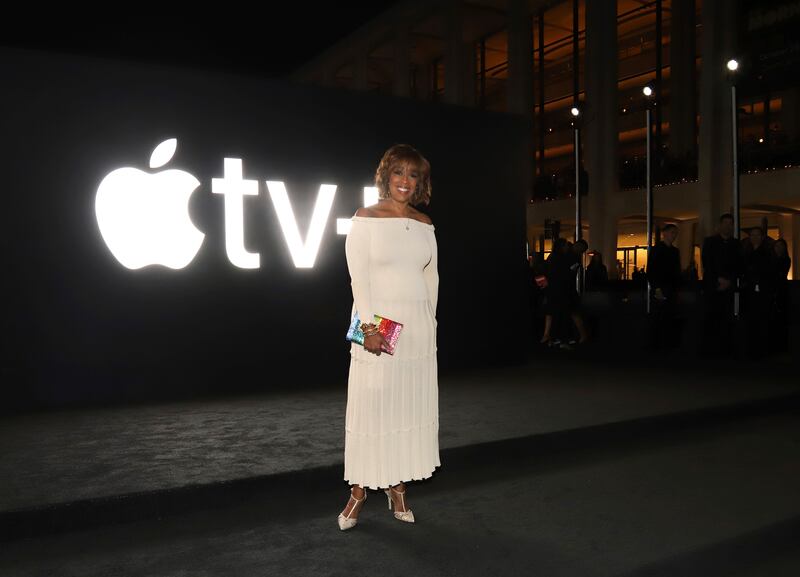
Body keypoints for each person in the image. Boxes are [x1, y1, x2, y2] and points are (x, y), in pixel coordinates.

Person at [339, 144, 440, 530]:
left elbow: (431, 276)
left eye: (413, 175)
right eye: (399, 172)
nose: (405, 181)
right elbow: (358, 278)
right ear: (386, 176)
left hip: (416, 328)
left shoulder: (424, 222)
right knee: (372, 408)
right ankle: (359, 490)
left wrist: (431, 322)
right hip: (378, 326)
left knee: (405, 409)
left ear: (420, 183)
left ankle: (397, 488)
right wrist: (368, 328)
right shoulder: (366, 218)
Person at [700, 213, 743, 357]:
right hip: (713, 286)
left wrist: (729, 281)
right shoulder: (710, 242)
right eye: (725, 223)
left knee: (727, 318)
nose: (727, 226)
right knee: (711, 317)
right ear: (720, 225)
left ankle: (726, 350)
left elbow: (739, 266)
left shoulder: (736, 244)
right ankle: (710, 350)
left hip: (728, 287)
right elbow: (707, 263)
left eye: (730, 223)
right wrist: (719, 279)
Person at [646, 223, 681, 350]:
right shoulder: (657, 250)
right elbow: (651, 271)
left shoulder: (674, 251)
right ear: (664, 233)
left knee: (668, 315)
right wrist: (657, 288)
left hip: (670, 287)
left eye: (675, 233)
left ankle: (665, 343)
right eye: (672, 232)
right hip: (661, 287)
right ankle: (655, 344)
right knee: (658, 315)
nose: (674, 235)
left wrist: (676, 289)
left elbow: (676, 272)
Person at [771, 238, 792, 353]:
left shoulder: (785, 260)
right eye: (776, 246)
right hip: (774, 290)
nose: (778, 248)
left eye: (780, 246)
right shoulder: (772, 260)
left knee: (782, 317)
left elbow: (780, 274)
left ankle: (782, 346)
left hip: (781, 290)